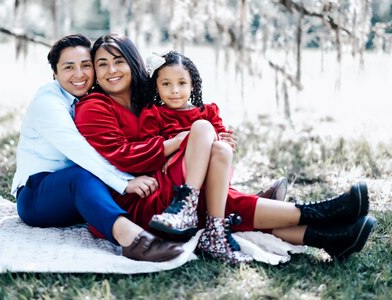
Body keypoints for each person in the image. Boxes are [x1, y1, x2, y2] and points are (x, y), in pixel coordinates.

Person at [74, 33, 376, 265]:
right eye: (102, 63)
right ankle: (321, 214)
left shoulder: (145, 99)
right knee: (212, 162)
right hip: (139, 198)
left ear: (133, 63)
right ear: (96, 72)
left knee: (219, 180)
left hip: (172, 185)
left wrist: (218, 142)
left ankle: (328, 237)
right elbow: (123, 155)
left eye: (119, 61)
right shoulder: (95, 106)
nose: (112, 69)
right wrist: (181, 141)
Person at [11, 34, 184, 262]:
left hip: (82, 194)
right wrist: (124, 183)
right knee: (80, 176)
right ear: (55, 73)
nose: (79, 74)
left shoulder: (90, 100)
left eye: (85, 65)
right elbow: (79, 152)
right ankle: (133, 240)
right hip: (37, 196)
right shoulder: (48, 103)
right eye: (68, 67)